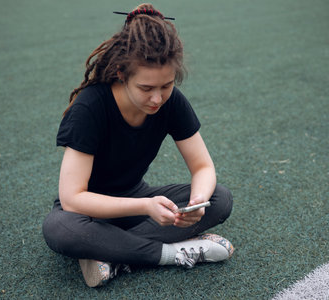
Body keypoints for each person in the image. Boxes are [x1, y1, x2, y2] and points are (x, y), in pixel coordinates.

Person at [42, 3, 234, 288]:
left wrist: (197, 202)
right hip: (90, 211)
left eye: (166, 86)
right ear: (121, 73)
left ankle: (111, 254)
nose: (157, 98)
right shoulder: (90, 107)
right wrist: (145, 206)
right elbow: (72, 198)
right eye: (146, 88)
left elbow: (203, 167)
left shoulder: (173, 102)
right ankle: (171, 253)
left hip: (137, 203)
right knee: (59, 229)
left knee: (219, 198)